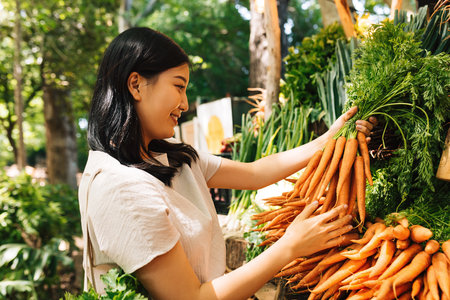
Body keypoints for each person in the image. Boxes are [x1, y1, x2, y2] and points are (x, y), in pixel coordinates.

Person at [78, 27, 377, 299]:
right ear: (136, 85)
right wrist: (288, 247)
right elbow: (192, 298)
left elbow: (256, 172)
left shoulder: (170, 156)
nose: (184, 104)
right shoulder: (119, 189)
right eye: (179, 86)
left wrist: (327, 139)